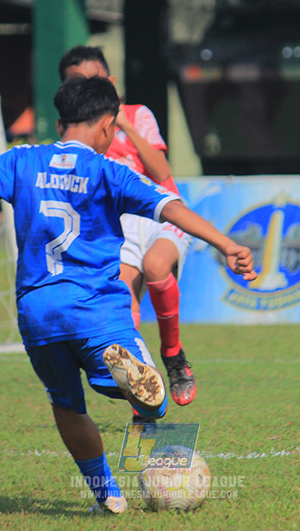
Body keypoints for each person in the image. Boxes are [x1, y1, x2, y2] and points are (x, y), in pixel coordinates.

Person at [0, 76, 255, 514]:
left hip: (38, 311)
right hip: (95, 307)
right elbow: (170, 206)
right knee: (156, 403)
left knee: (66, 405)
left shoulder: (20, 160)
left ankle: (107, 496)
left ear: (59, 121)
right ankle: (137, 383)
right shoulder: (110, 170)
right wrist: (227, 244)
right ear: (109, 126)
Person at [58, 46, 198, 408]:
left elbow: (162, 172)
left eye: (94, 80)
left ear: (112, 82)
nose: (88, 88)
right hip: (120, 227)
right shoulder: (75, 132)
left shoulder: (138, 114)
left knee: (155, 268)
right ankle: (145, 397)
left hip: (163, 212)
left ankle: (174, 356)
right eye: (77, 83)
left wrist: (122, 123)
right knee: (123, 308)